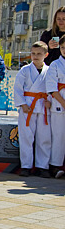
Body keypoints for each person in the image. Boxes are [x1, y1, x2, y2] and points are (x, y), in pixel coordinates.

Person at [14, 41, 51, 178]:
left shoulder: (49, 71)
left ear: (46, 55)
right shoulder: (24, 70)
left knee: (44, 138)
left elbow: (53, 88)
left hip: (43, 106)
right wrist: (22, 104)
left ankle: (43, 166)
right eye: (33, 53)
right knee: (26, 138)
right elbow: (17, 88)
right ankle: (26, 166)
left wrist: (50, 101)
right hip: (27, 106)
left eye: (39, 54)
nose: (35, 56)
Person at [46, 36, 65, 178]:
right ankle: (55, 166)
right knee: (58, 136)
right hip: (59, 104)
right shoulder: (55, 65)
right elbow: (52, 88)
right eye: (63, 47)